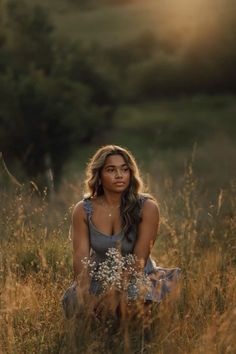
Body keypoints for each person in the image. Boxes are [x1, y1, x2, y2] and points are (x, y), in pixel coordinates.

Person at [62, 145, 180, 320]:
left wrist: (115, 293)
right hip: (100, 276)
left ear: (131, 173)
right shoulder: (83, 209)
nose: (119, 175)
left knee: (128, 310)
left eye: (124, 170)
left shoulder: (147, 207)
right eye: (111, 170)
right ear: (99, 175)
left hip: (136, 274)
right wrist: (85, 295)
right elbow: (81, 257)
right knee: (78, 307)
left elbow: (140, 258)